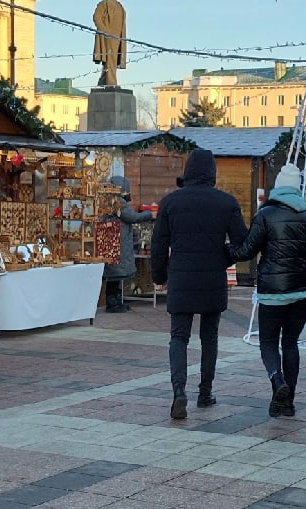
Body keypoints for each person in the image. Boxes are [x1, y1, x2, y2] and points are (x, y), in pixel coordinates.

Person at [151, 149, 247, 420]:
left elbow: (159, 244)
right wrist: (225, 254)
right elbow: (243, 244)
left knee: (179, 337)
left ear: (188, 171)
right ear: (212, 173)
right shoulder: (226, 203)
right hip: (212, 279)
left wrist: (159, 276)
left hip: (181, 277)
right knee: (210, 337)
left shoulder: (170, 203)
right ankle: (205, 393)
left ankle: (178, 392)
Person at [228, 163, 306, 417]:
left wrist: (224, 251)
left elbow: (246, 251)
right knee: (291, 342)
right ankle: (288, 402)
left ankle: (277, 381)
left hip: (273, 291)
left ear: (278, 187)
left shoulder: (266, 215)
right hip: (304, 291)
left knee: (268, 341)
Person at [101, 175, 154, 314]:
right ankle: (113, 303)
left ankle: (116, 301)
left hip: (111, 240)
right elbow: (132, 217)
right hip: (118, 242)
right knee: (115, 273)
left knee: (114, 273)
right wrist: (149, 214)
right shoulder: (118, 201)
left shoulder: (107, 200)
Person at [93, 0, 127, 87]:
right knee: (111, 57)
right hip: (108, 34)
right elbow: (96, 17)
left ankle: (103, 81)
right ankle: (111, 83)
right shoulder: (104, 4)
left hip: (119, 36)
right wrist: (104, 29)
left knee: (112, 59)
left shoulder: (120, 6)